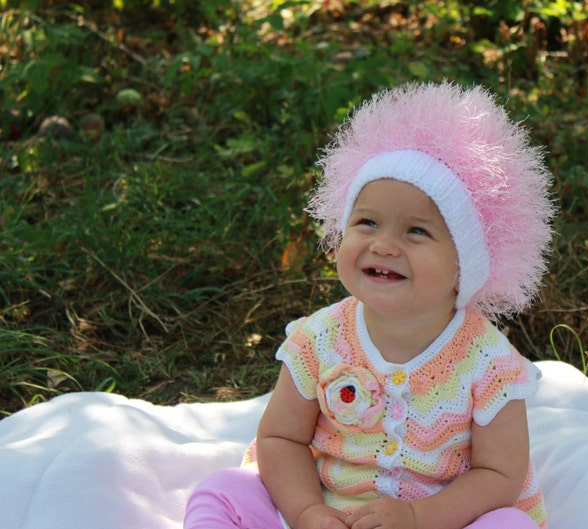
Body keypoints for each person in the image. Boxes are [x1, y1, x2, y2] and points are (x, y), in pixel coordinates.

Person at [184, 81, 556, 529]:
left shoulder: (489, 364)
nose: (384, 244)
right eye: (367, 222)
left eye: (416, 231)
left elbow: (500, 476)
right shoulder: (319, 339)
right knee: (223, 490)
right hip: (326, 513)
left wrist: (419, 516)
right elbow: (280, 437)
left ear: (466, 263)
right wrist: (307, 512)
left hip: (437, 520)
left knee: (509, 526)